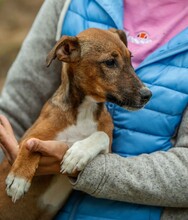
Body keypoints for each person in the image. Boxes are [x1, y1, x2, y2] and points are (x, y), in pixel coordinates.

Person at [0, 0, 188, 219]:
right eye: (110, 63)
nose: (139, 85)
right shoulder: (67, 5)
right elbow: (14, 114)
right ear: (64, 53)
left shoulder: (102, 124)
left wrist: (86, 170)